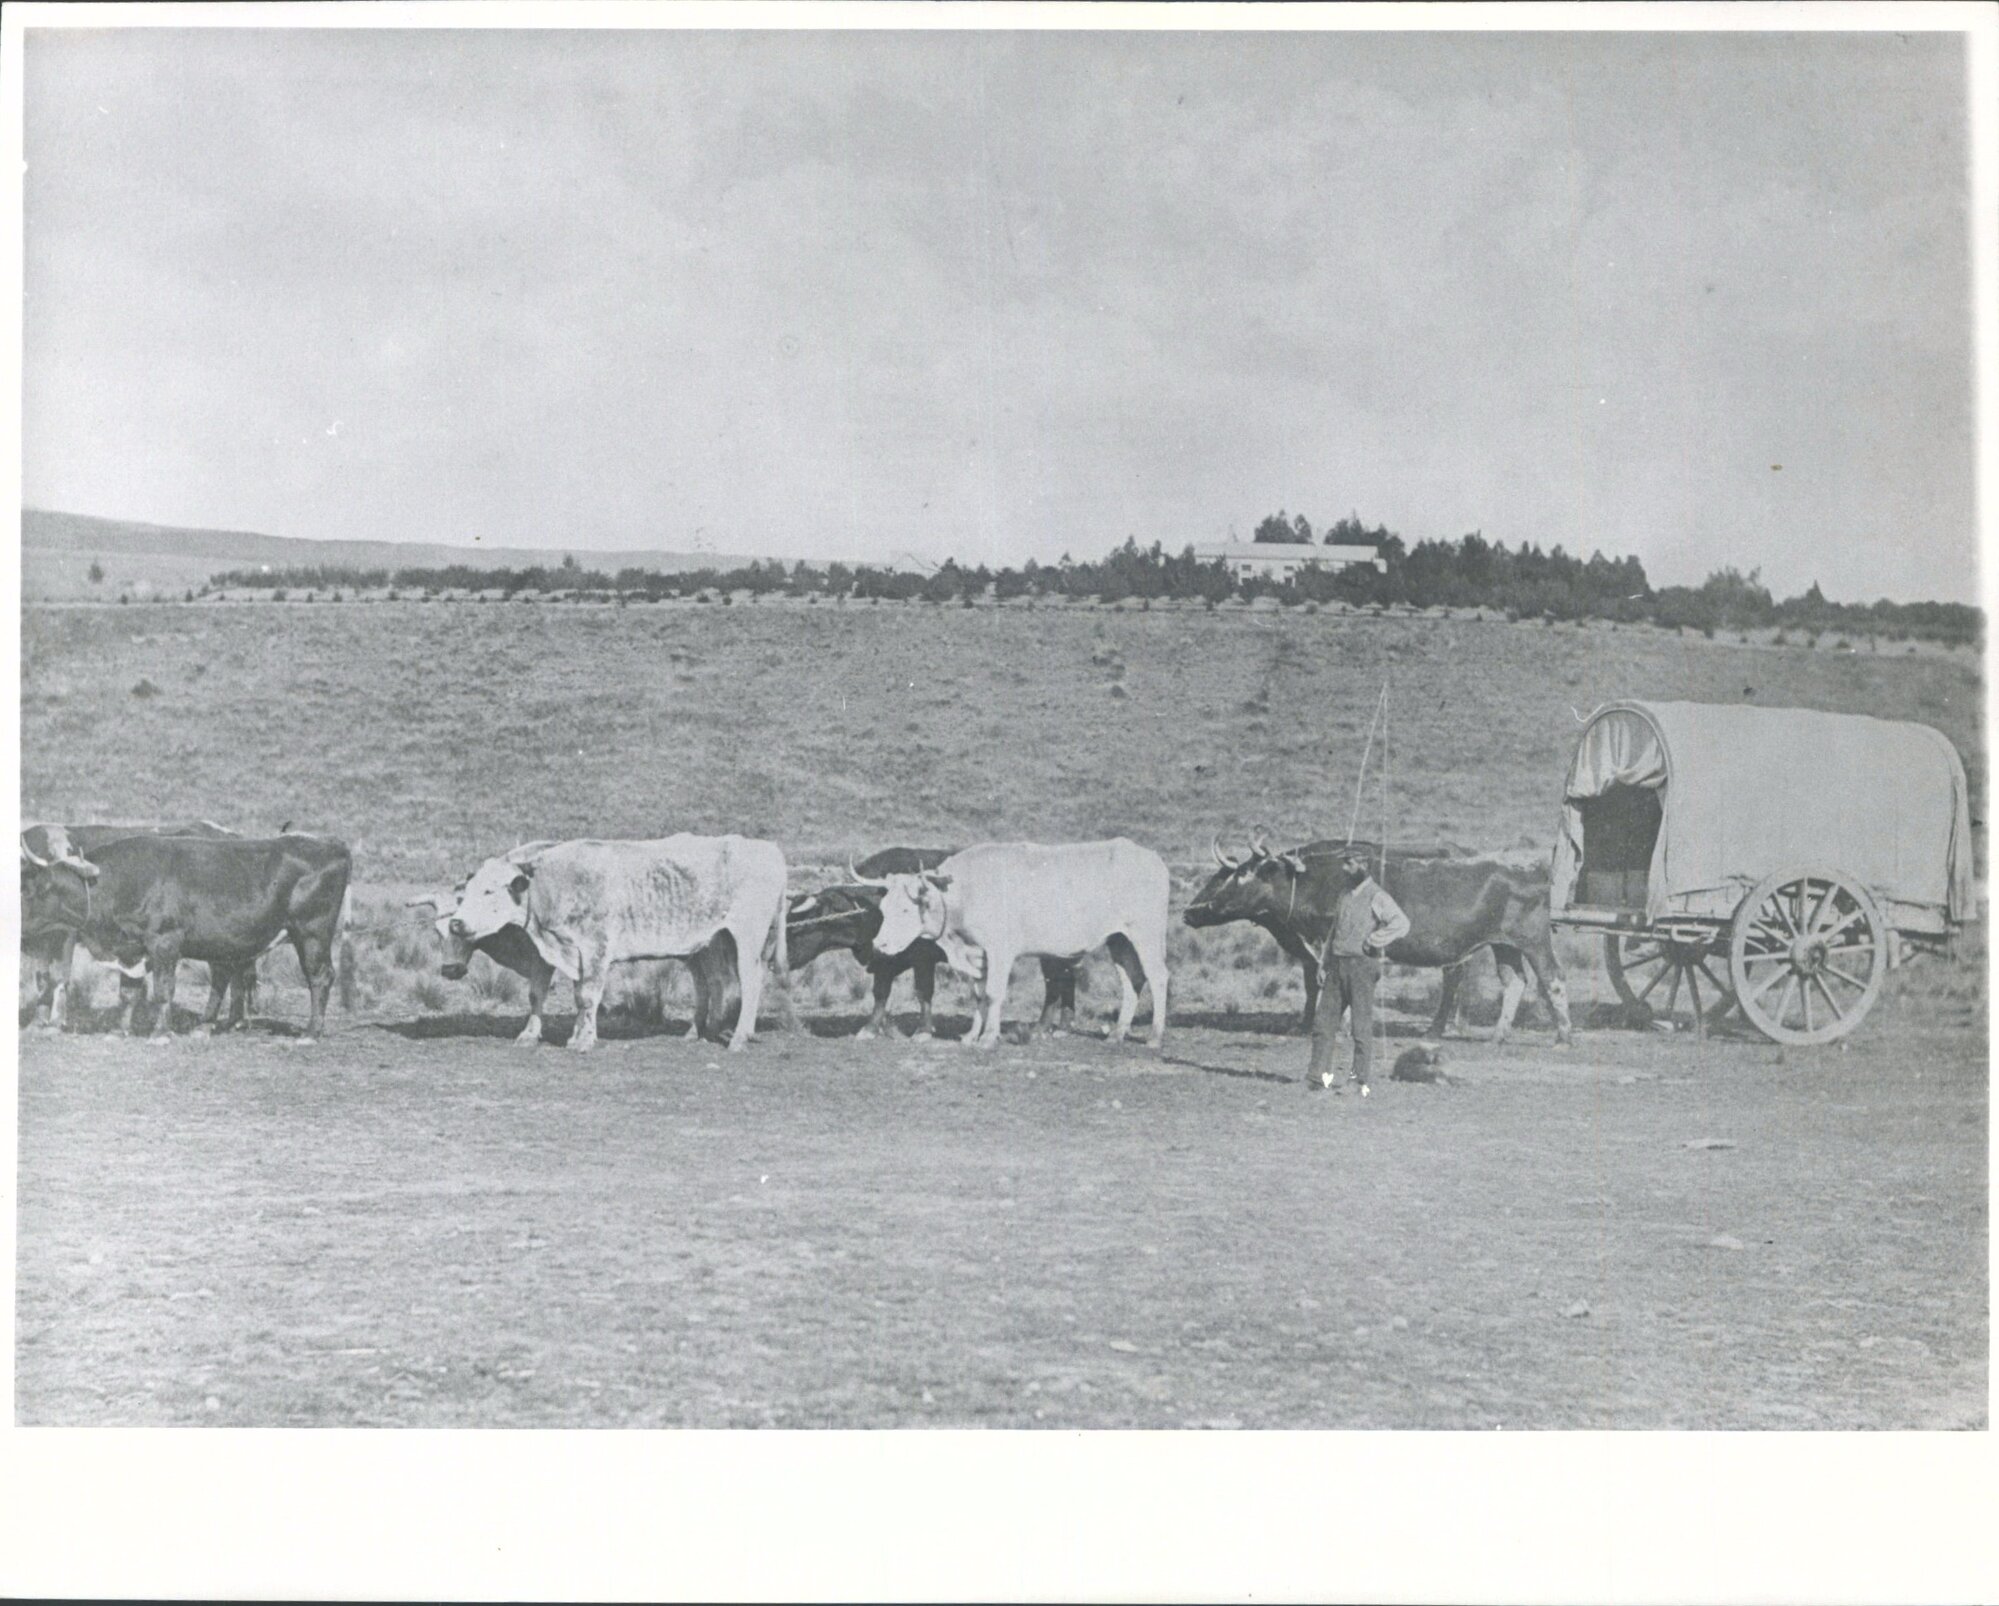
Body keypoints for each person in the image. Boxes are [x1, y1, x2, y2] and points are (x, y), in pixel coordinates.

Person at [1307, 849, 1411, 1095]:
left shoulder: (1378, 896)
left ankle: (1358, 1080)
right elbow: (1334, 931)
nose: (1345, 869)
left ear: (1363, 865)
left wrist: (1375, 940)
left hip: (1362, 967)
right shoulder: (1344, 895)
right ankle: (1317, 1079)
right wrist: (1324, 964)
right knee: (1323, 1023)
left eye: (1349, 864)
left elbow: (1401, 923)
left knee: (1360, 1027)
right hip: (1336, 966)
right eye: (1344, 863)